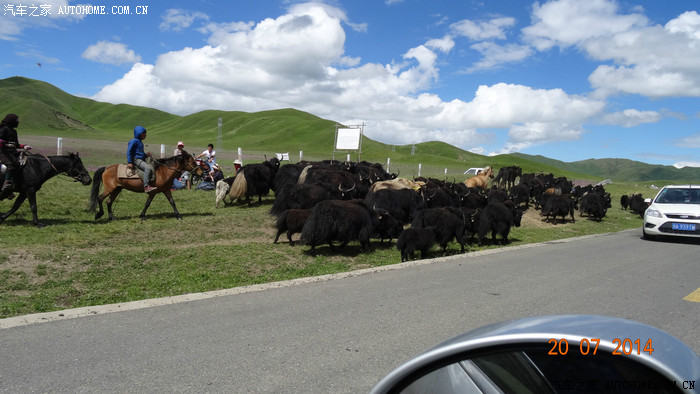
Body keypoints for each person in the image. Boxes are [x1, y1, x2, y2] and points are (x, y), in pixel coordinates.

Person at [0, 114, 31, 199]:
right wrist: (4, 143)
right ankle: (6, 184)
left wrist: (24, 146)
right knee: (13, 164)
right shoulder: (3, 129)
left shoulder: (14, 131)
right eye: (16, 120)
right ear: (11, 121)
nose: (17, 122)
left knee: (25, 161)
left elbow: (16, 144)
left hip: (12, 152)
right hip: (3, 152)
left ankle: (14, 185)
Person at [127, 126, 156, 193]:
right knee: (148, 168)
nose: (145, 135)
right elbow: (129, 151)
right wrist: (129, 162)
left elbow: (140, 153)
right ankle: (146, 186)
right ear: (139, 134)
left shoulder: (140, 142)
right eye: (144, 134)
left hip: (140, 159)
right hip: (136, 160)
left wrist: (146, 155)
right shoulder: (133, 141)